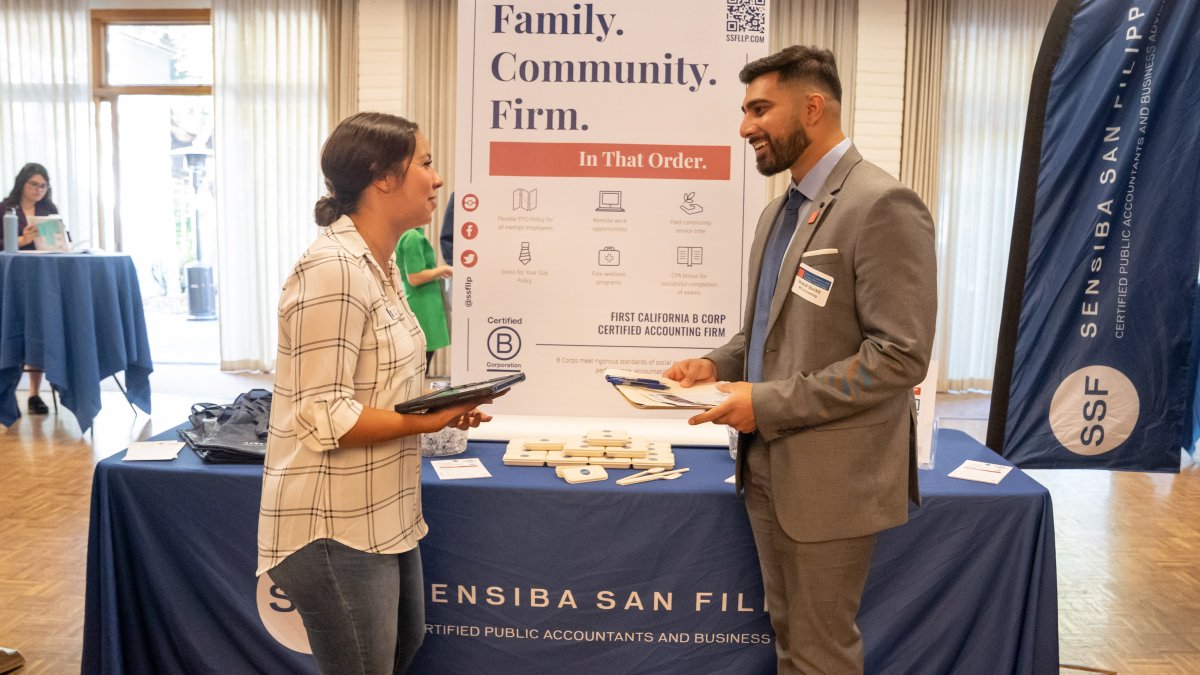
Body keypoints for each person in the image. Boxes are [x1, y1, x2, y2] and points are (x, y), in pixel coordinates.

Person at [663, 46, 936, 674]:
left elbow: (900, 356)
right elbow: (771, 328)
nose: (744, 127)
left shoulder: (882, 204)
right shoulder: (776, 213)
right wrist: (717, 361)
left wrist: (765, 403)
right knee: (792, 640)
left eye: (760, 108)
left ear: (812, 107)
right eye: (744, 110)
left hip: (831, 481)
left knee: (820, 652)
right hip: (767, 469)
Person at [257, 112, 492, 674]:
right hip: (333, 525)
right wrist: (425, 424)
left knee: (400, 650)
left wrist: (434, 407)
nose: (438, 180)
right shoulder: (332, 271)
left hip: (386, 514)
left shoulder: (379, 266)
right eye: (427, 164)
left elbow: (376, 386)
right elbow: (324, 415)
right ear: (381, 177)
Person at [1, 162, 59, 415]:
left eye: (43, 185)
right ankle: (8, 393)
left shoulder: (48, 209)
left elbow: (59, 237)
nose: (39, 189)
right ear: (22, 183)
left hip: (40, 278)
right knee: (13, 332)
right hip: (10, 279)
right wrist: (22, 239)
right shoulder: (6, 208)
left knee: (38, 332)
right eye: (34, 184)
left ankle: (35, 394)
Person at [395, 227, 451, 370]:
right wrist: (443, 270)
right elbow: (415, 277)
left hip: (421, 301)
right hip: (423, 305)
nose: (433, 205)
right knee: (420, 365)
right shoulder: (412, 236)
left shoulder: (409, 234)